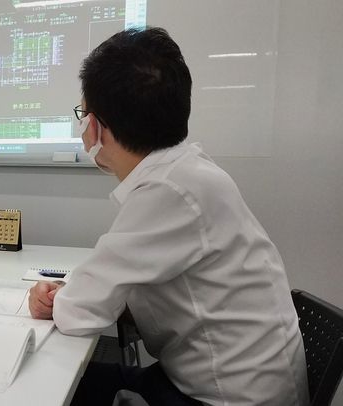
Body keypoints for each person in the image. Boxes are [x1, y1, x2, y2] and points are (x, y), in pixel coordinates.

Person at [29, 27, 309, 405]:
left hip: (225, 398)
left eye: (82, 114)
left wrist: (56, 299)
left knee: (44, 384)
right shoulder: (186, 172)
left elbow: (78, 314)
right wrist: (73, 295)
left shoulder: (169, 190)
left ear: (93, 127)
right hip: (226, 382)